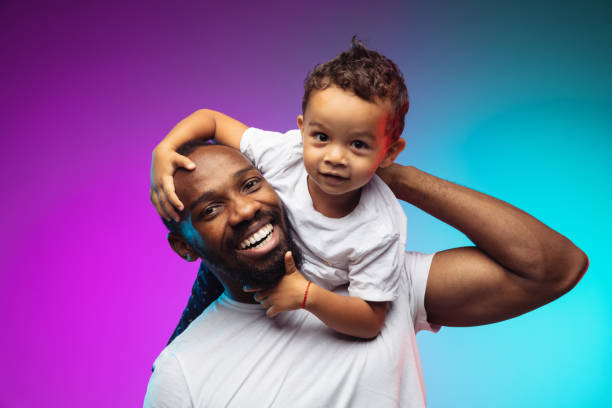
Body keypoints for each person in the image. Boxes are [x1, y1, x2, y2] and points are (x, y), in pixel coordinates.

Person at [144, 142, 586, 407]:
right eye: (211, 209)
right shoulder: (182, 371)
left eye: (250, 184)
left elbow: (554, 268)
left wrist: (390, 177)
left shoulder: (375, 287)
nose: (244, 210)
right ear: (185, 247)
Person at [151, 39, 412, 339]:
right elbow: (210, 121)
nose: (334, 157)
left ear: (390, 152)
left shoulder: (379, 228)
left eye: (358, 144)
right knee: (184, 341)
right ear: (302, 129)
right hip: (236, 264)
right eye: (322, 137)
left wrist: (308, 296)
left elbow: (370, 321)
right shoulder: (286, 153)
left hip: (295, 292)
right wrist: (166, 148)